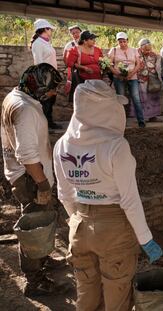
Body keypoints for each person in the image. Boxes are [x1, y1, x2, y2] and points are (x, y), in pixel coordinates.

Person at [53, 79, 163, 310]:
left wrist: (79, 218)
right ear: (105, 108)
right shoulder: (115, 146)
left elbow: (64, 195)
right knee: (117, 297)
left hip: (79, 227)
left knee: (86, 294)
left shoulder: (62, 145)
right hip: (113, 229)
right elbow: (130, 200)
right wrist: (146, 239)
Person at [1, 63, 63, 296]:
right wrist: (43, 184)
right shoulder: (25, 109)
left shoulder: (16, 97)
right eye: (51, 89)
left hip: (27, 175)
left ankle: (43, 260)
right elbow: (26, 153)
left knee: (39, 222)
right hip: (30, 178)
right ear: (38, 85)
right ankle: (34, 279)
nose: (53, 94)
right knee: (33, 227)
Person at [108, 32, 145, 128]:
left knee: (136, 98)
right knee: (121, 99)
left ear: (127, 40)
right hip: (119, 78)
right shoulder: (114, 50)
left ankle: (141, 120)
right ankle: (121, 122)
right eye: (120, 42)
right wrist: (117, 74)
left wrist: (131, 74)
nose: (123, 43)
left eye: (124, 41)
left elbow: (138, 64)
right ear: (118, 42)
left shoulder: (134, 50)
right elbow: (109, 64)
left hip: (132, 77)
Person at [30, 19, 60, 129]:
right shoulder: (38, 43)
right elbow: (38, 62)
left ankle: (48, 122)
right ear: (45, 29)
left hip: (51, 76)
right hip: (45, 76)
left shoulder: (46, 42)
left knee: (51, 100)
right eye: (50, 29)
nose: (51, 31)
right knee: (46, 101)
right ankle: (45, 124)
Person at [136, 38, 163, 123]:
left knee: (153, 98)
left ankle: (153, 117)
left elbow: (158, 65)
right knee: (142, 98)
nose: (148, 51)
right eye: (145, 50)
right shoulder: (135, 53)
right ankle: (142, 117)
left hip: (152, 80)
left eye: (149, 49)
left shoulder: (153, 55)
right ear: (141, 48)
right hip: (141, 80)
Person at [63, 25, 82, 102]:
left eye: (77, 32)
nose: (75, 35)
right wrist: (70, 67)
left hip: (84, 69)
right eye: (73, 33)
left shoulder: (86, 43)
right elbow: (65, 58)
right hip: (74, 69)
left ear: (80, 32)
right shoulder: (69, 45)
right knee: (75, 87)